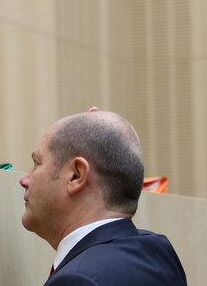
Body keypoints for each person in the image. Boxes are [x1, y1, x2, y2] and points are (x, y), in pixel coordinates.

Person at [19, 110, 186, 285]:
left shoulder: (78, 279)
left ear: (76, 175)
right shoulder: (159, 253)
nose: (24, 179)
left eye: (37, 163)